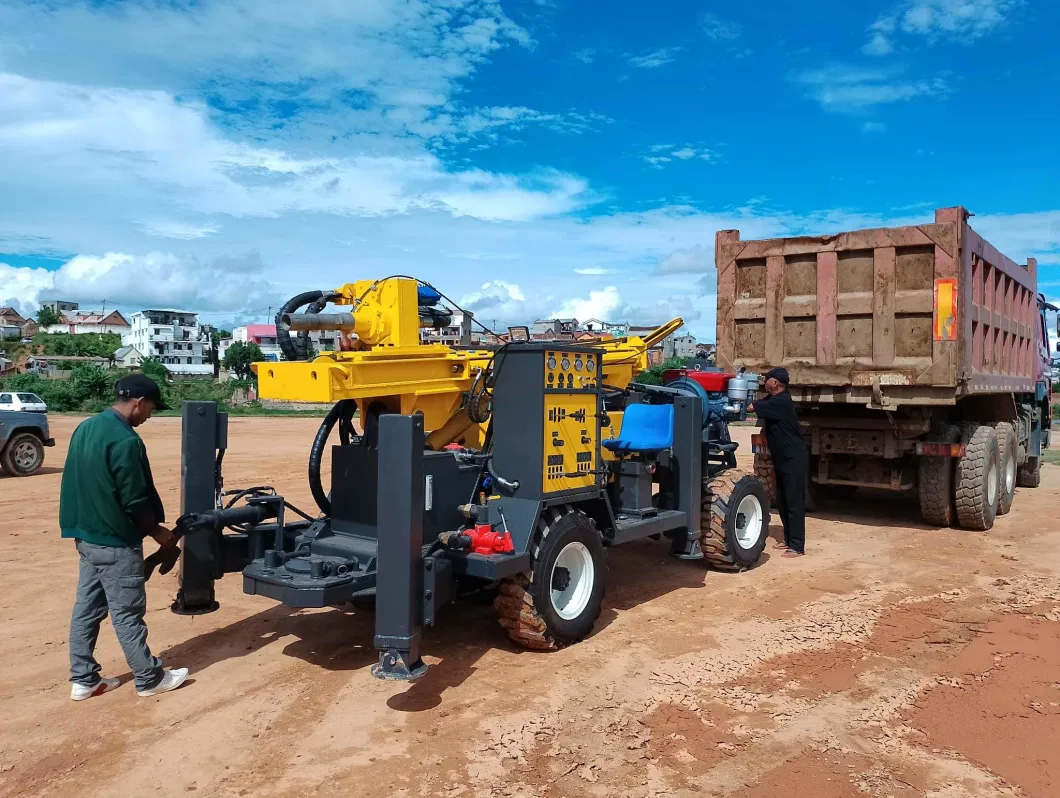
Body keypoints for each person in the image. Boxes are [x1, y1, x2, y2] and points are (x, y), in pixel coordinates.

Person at [61, 374, 190, 700]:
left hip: (87, 539)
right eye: (151, 409)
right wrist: (158, 532)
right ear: (138, 402)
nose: (150, 415)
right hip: (116, 542)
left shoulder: (85, 427)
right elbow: (134, 500)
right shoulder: (125, 440)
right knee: (127, 612)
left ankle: (84, 679)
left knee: (86, 610)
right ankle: (149, 678)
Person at [749, 367, 808, 558]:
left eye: (767, 379)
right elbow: (759, 403)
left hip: (794, 458)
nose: (764, 382)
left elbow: (751, 407)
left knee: (794, 500)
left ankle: (797, 546)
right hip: (782, 457)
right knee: (782, 499)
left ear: (775, 383)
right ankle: (789, 540)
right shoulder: (774, 399)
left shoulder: (781, 401)